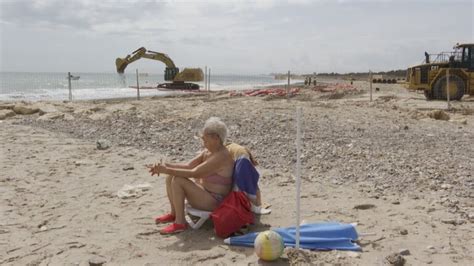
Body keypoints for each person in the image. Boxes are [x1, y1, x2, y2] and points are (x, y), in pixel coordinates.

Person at [147, 117, 234, 235]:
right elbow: (188, 166)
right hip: (205, 193)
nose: (203, 142)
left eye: (205, 139)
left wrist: (166, 169)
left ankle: (180, 223)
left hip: (215, 201)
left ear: (216, 138)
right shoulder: (208, 151)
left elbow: (194, 173)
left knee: (178, 180)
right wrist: (164, 166)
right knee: (170, 176)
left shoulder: (221, 156)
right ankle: (174, 214)